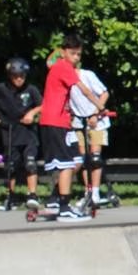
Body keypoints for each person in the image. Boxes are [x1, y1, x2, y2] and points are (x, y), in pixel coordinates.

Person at [39, 34, 105, 221]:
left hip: (62, 122)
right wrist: (99, 106)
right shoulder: (63, 67)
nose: (76, 58)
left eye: (79, 55)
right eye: (73, 54)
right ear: (64, 52)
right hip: (54, 122)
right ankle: (64, 206)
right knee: (66, 163)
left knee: (76, 158)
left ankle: (55, 199)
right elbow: (83, 89)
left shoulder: (61, 67)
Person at [0, 57, 43, 210]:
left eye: (22, 76)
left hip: (28, 134)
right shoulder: (1, 89)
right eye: (16, 76)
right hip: (9, 133)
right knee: (10, 167)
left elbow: (44, 104)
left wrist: (32, 113)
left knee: (30, 164)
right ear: (10, 76)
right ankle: (10, 196)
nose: (19, 79)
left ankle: (32, 195)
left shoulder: (31, 89)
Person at [68, 57, 113, 206]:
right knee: (84, 158)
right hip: (78, 123)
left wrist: (95, 113)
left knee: (95, 157)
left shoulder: (87, 75)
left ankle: (95, 193)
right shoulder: (64, 80)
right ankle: (87, 192)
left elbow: (104, 93)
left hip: (96, 122)